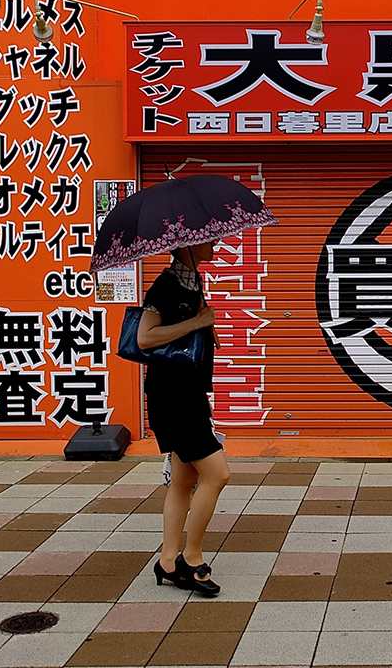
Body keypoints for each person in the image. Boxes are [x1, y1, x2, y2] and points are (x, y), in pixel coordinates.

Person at [136, 241, 229, 597]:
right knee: (218, 474)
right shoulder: (166, 285)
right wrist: (197, 321)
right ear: (188, 245)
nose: (215, 242)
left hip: (187, 394)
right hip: (172, 398)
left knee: (183, 479)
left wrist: (205, 329)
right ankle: (192, 557)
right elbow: (145, 337)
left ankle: (168, 561)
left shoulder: (192, 282)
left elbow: (188, 335)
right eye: (207, 238)